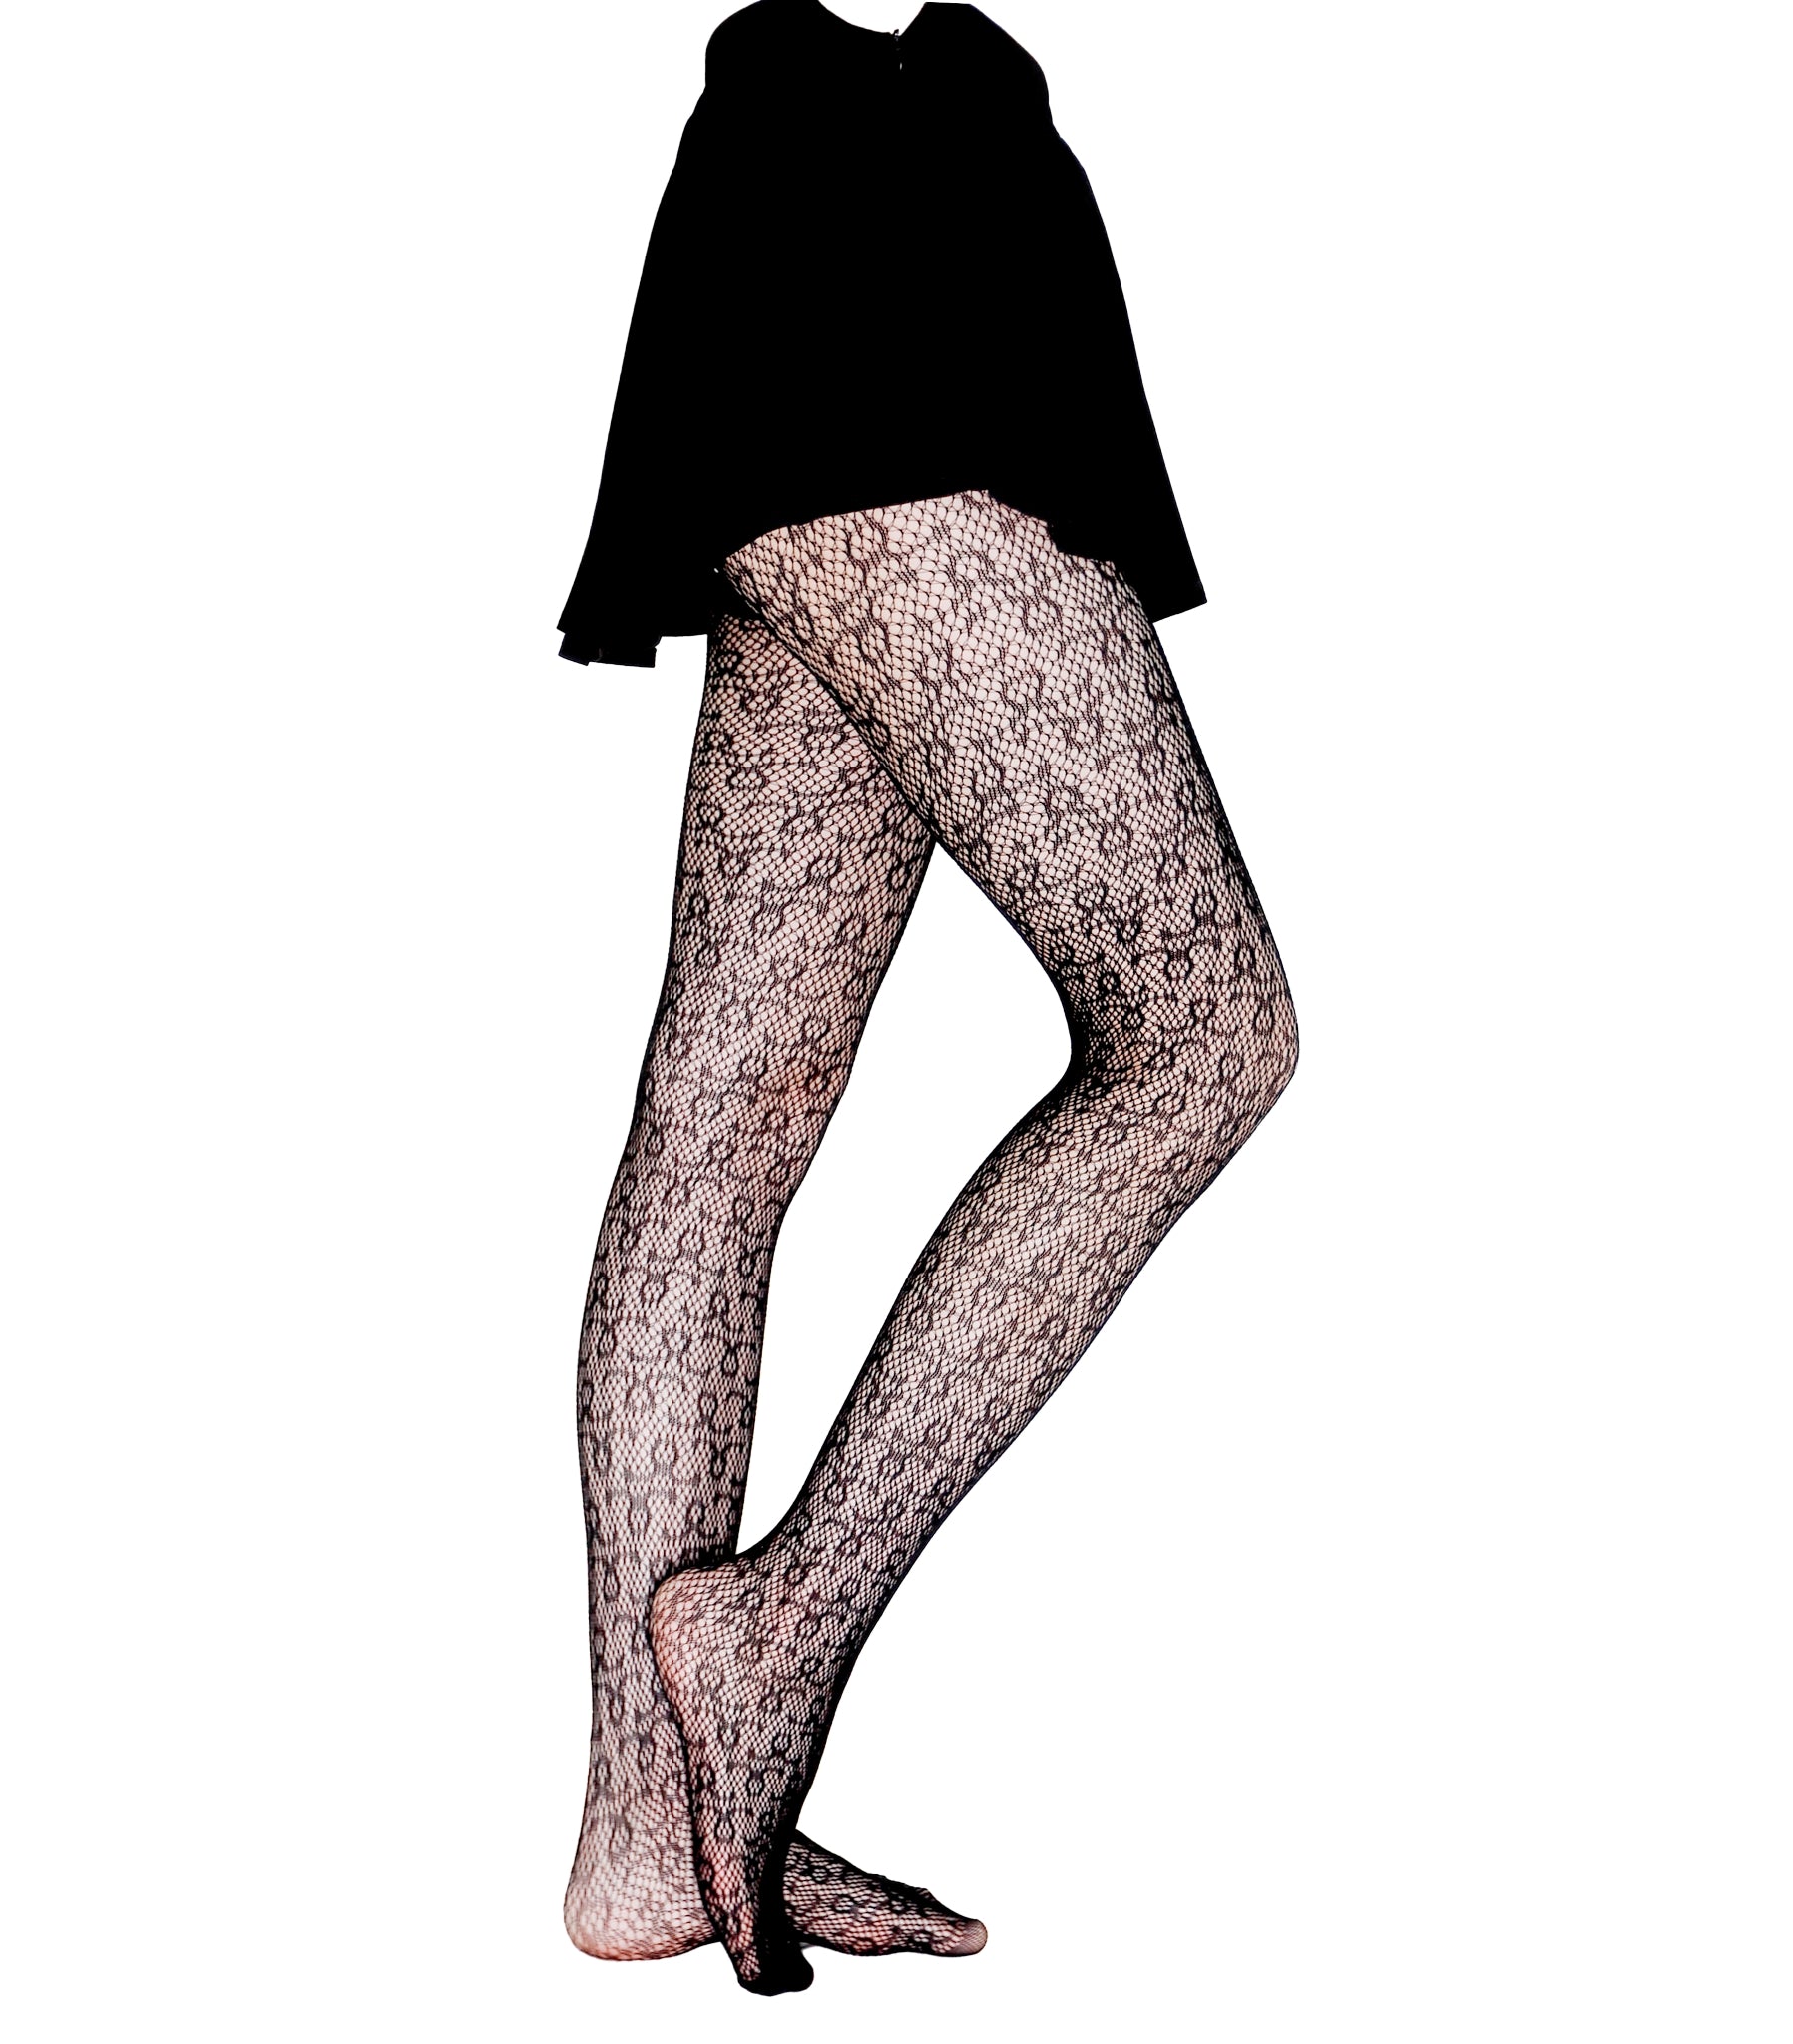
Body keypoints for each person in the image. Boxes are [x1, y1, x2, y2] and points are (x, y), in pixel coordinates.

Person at [555, 0, 1299, 1996]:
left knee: (720, 1126)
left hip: (804, 246)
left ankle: (642, 1832)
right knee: (1205, 1040)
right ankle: (777, 1624)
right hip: (903, 266)